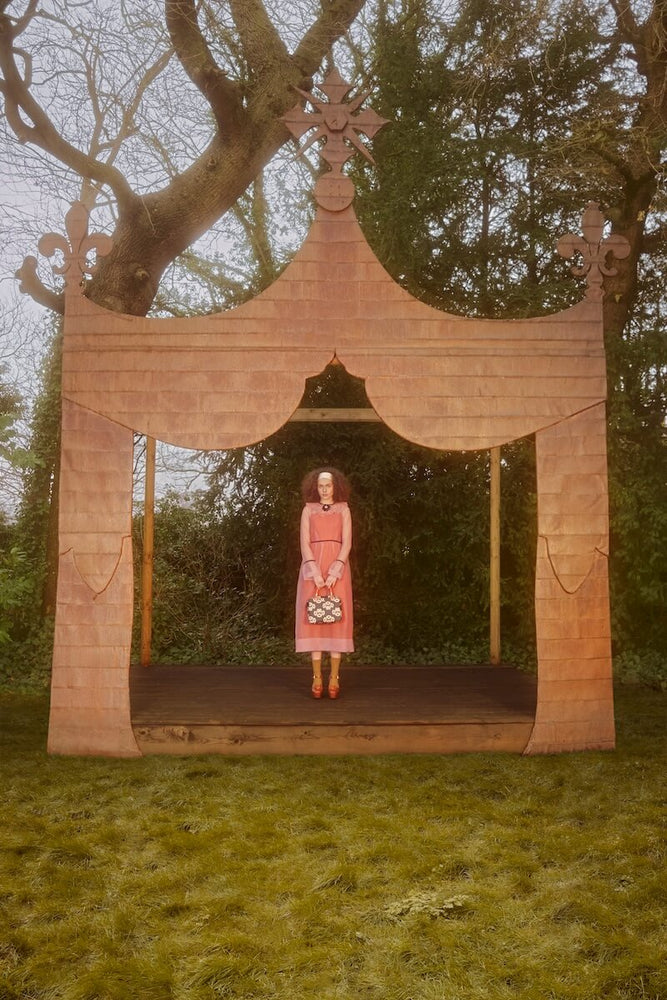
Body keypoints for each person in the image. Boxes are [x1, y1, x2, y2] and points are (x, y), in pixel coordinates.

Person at [295, 467, 353, 698]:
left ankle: (334, 678)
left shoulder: (344, 510)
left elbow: (347, 542)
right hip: (312, 569)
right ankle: (317, 676)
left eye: (328, 485)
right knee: (314, 619)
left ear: (335, 486)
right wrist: (316, 573)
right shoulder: (308, 510)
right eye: (321, 485)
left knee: (337, 620)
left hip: (338, 568)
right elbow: (304, 542)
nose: (325, 489)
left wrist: (334, 571)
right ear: (315, 487)